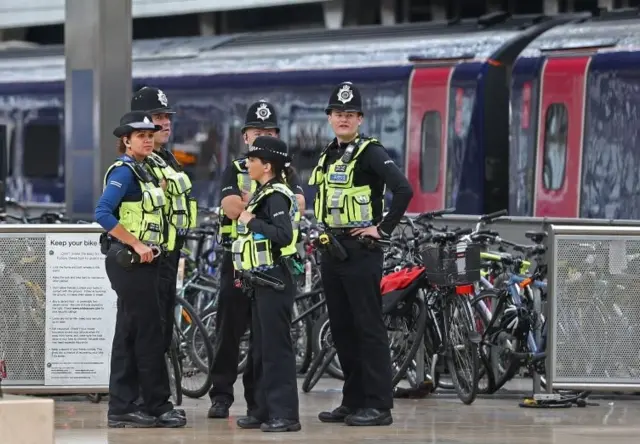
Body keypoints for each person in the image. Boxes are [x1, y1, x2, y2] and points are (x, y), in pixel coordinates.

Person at [309, 82, 413, 426]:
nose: (343, 119)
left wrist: (382, 229)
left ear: (360, 118)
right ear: (329, 118)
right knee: (342, 328)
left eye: (350, 114)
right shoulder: (330, 153)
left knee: (368, 327)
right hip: (332, 250)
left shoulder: (370, 152)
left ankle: (378, 405)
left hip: (361, 251)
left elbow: (403, 189)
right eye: (338, 114)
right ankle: (352, 400)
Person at [208, 100, 305, 419]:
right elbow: (230, 206)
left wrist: (251, 207)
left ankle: (258, 402)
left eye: (269, 131)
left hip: (269, 265)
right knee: (229, 329)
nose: (262, 135)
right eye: (256, 131)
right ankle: (221, 395)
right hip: (236, 261)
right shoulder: (235, 169)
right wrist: (252, 208)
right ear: (245, 136)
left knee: (265, 337)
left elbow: (300, 204)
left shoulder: (284, 172)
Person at [94, 111, 186, 428]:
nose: (147, 139)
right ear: (126, 140)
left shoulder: (144, 170)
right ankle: (158, 405)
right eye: (140, 135)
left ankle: (123, 405)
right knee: (148, 333)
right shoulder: (124, 172)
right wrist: (136, 243)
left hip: (143, 264)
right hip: (130, 263)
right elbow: (103, 213)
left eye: (150, 134)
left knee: (129, 333)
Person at [231, 135, 301, 432]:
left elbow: (283, 235)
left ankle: (285, 414)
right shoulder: (263, 191)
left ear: (267, 165)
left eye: (253, 160)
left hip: (275, 277)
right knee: (259, 347)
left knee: (276, 348)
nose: (247, 164)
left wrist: (250, 220)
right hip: (261, 279)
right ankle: (260, 410)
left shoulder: (275, 196)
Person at [130, 86, 196, 362]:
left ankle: (157, 397)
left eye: (167, 116)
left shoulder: (168, 159)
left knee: (164, 329)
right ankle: (147, 399)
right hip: (150, 257)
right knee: (150, 330)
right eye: (158, 116)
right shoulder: (137, 164)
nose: (166, 122)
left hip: (170, 254)